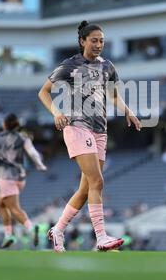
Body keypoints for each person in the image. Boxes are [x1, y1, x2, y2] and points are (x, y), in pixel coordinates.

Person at [38, 20, 142, 252]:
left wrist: (128, 111)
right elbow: (43, 92)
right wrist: (56, 112)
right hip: (76, 126)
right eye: (93, 40)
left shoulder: (108, 66)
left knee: (86, 189)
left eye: (102, 41)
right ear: (82, 41)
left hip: (99, 130)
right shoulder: (69, 65)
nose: (98, 45)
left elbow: (113, 95)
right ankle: (102, 237)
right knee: (97, 182)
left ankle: (58, 230)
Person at [0, 113, 47, 248]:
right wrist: (40, 165)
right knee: (2, 204)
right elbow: (33, 153)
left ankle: (32, 229)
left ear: (4, 125)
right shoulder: (22, 137)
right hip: (20, 177)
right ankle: (9, 236)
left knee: (13, 208)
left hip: (6, 177)